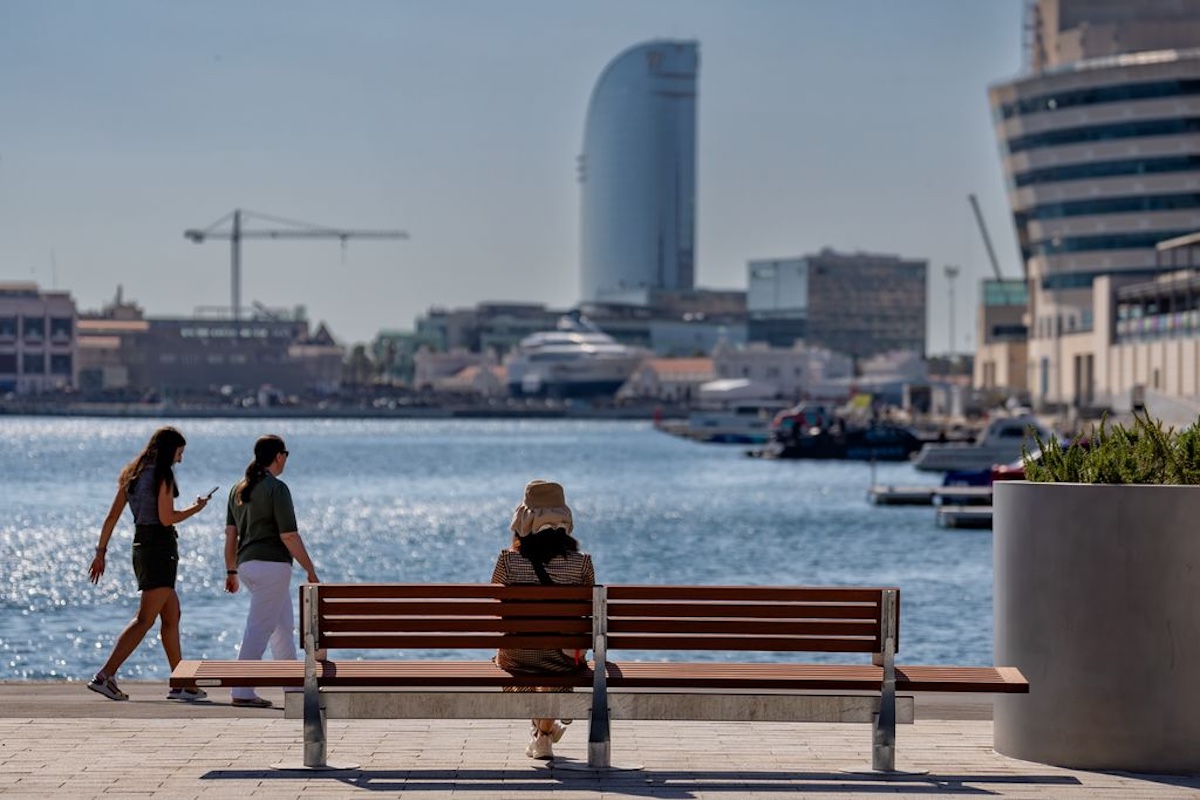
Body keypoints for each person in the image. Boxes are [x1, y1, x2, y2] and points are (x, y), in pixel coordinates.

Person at [87, 426, 211, 702]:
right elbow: (167, 518)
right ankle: (104, 675)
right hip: (160, 549)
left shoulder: (132, 474)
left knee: (171, 615)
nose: (180, 459)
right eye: (179, 453)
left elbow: (112, 517)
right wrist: (196, 508)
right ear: (170, 450)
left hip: (141, 547)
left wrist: (101, 552)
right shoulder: (161, 476)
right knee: (145, 619)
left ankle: (181, 682)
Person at [491, 480, 595, 760]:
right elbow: (588, 612)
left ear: (523, 519)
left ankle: (542, 734)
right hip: (562, 659)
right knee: (554, 666)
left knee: (518, 659)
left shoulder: (507, 560)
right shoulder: (581, 562)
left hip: (517, 657)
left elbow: (499, 607)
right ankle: (545, 732)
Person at [224, 434, 320, 708]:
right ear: (279, 456)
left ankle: (293, 686)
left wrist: (231, 571)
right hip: (273, 567)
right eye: (286, 454)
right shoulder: (277, 489)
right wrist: (310, 570)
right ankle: (241, 690)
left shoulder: (237, 490)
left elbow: (231, 536)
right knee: (260, 627)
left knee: (282, 627)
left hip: (246, 566)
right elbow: (289, 535)